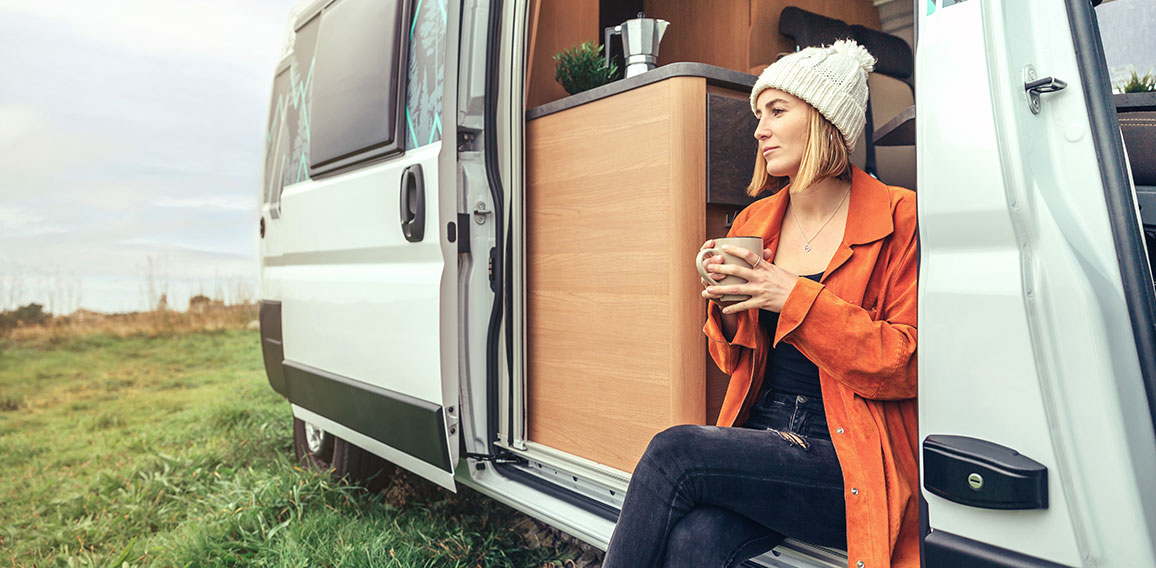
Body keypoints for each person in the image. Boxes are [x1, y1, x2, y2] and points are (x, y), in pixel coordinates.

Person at [601, 39, 920, 568]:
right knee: (695, 540)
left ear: (822, 119)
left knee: (674, 452)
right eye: (758, 114)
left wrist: (790, 295)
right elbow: (732, 360)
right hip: (764, 435)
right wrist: (725, 303)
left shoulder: (897, 215)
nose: (758, 129)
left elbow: (904, 363)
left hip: (850, 451)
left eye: (776, 111)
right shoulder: (754, 223)